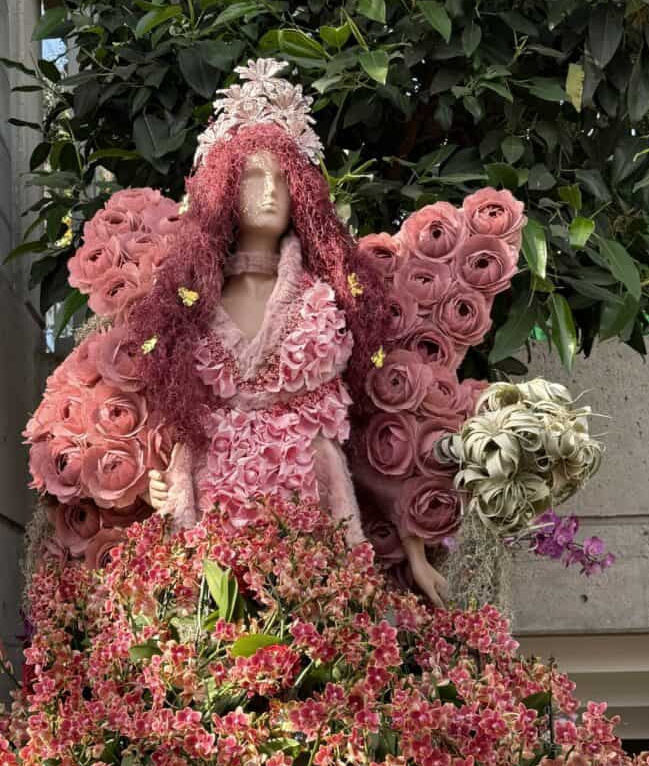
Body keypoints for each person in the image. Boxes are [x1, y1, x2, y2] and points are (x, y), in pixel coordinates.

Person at [26, 60, 523, 610]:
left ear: (303, 193)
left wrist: (414, 550)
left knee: (308, 645)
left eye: (282, 179)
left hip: (310, 511)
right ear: (222, 191)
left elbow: (360, 443)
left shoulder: (324, 301)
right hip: (210, 514)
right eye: (251, 178)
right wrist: (157, 482)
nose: (268, 192)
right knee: (213, 649)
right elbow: (160, 415)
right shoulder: (189, 305)